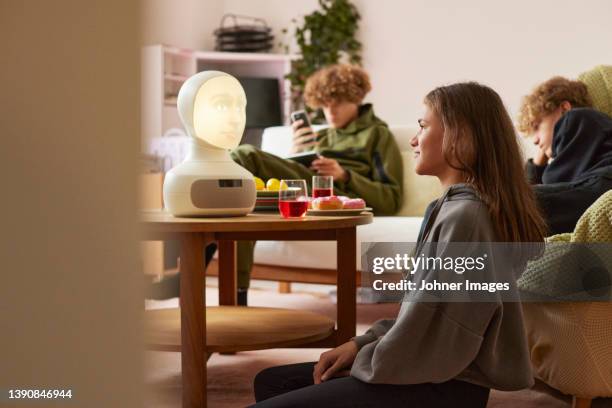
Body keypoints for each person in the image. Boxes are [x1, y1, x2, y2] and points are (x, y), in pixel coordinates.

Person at [250, 82, 546, 407]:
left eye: (423, 125)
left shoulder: (466, 218)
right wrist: (362, 342)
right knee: (272, 382)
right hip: (430, 372)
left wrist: (365, 359)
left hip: (438, 385)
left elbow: (435, 333)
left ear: (459, 135)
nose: (414, 139)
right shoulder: (454, 208)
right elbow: (421, 314)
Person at [229, 64, 404, 304]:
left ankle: (210, 263)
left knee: (246, 154)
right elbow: (296, 171)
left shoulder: (377, 135)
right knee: (246, 206)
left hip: (337, 195)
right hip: (306, 193)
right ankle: (237, 295)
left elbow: (391, 199)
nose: (330, 111)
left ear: (356, 98)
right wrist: (296, 153)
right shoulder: (319, 137)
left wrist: (344, 175)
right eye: (324, 104)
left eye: (338, 102)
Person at [518, 74, 612, 235]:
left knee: (521, 202)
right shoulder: (589, 131)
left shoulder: (575, 117)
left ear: (564, 108)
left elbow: (555, 181)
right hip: (600, 184)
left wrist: (539, 166)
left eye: (537, 125)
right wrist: (538, 164)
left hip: (604, 184)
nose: (535, 140)